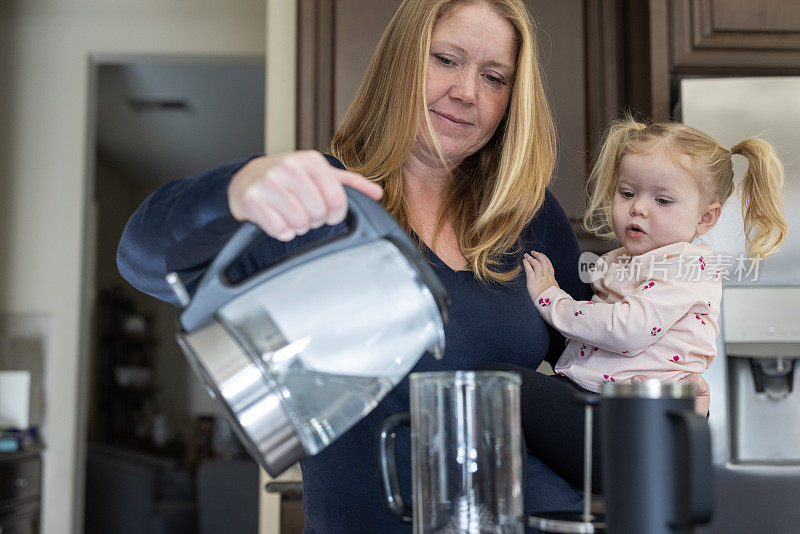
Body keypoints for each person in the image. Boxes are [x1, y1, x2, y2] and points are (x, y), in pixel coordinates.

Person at [116, 0, 592, 531]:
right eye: (445, 59)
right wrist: (236, 190)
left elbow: (597, 365)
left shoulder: (528, 216)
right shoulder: (319, 200)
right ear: (401, 62)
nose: (467, 92)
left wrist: (666, 384)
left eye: (494, 77)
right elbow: (141, 259)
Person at [492, 117, 788, 493]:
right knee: (500, 387)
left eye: (662, 200)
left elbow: (626, 330)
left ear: (706, 217)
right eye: (627, 193)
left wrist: (552, 299)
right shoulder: (626, 259)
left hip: (635, 422)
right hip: (607, 406)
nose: (638, 209)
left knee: (498, 383)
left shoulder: (686, 268)